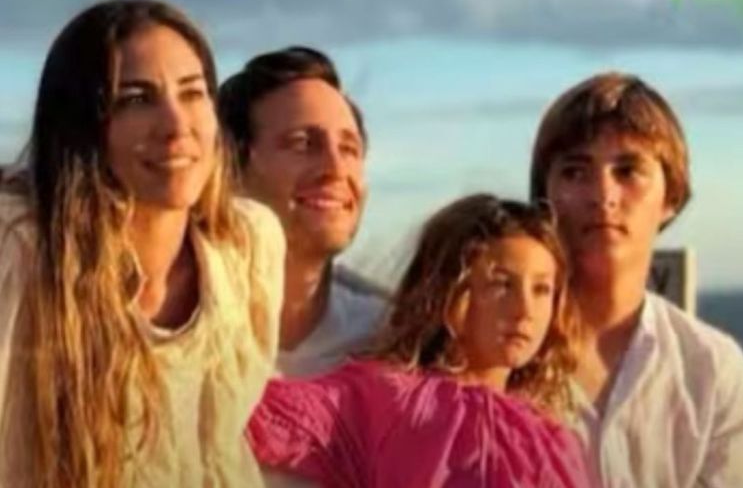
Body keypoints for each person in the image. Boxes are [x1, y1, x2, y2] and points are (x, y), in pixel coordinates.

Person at [0, 0, 284, 488]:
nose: (177, 125)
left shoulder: (249, 243)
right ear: (84, 125)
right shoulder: (24, 248)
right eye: (135, 99)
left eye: (193, 93)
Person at [247, 194, 594, 488]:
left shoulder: (553, 440)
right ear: (451, 289)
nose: (525, 310)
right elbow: (254, 412)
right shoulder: (386, 398)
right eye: (502, 284)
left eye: (542, 290)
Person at [530, 72, 743, 487]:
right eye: (575, 172)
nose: (603, 195)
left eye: (627, 170)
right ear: (544, 195)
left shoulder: (711, 368)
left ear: (670, 196)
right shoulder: (493, 358)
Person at [218, 47, 387, 379]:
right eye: (303, 144)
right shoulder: (174, 337)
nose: (335, 169)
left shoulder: (387, 340)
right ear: (229, 168)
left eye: (349, 149)